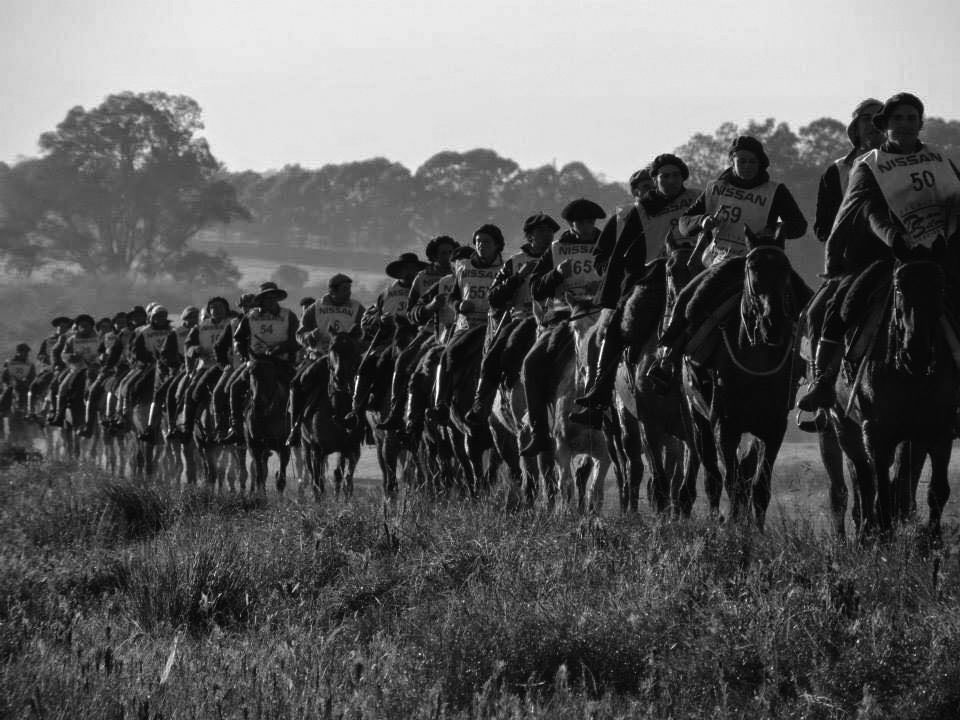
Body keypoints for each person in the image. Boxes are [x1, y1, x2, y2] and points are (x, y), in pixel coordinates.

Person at [797, 92, 960, 410]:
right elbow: (864, 212)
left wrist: (949, 235)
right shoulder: (870, 165)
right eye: (898, 119)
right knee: (838, 308)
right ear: (885, 126)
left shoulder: (940, 160)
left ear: (920, 124)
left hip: (938, 254)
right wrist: (891, 241)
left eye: (911, 118)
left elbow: (957, 203)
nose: (905, 125)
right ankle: (823, 382)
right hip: (882, 257)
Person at [650, 136, 808, 389]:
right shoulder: (715, 188)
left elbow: (799, 226)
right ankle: (668, 354)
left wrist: (775, 228)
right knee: (690, 298)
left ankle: (814, 363)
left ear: (761, 163)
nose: (746, 166)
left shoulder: (775, 191)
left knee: (805, 297)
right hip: (720, 259)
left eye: (751, 161)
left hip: (759, 260)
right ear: (731, 162)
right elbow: (684, 222)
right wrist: (702, 222)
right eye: (741, 161)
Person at [571, 154, 701, 421]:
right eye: (664, 176)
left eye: (676, 175)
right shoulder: (636, 212)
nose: (671, 181)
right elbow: (614, 255)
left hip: (699, 271)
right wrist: (612, 296)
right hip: (653, 278)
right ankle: (600, 392)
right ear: (655, 181)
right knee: (617, 324)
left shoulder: (700, 198)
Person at [519, 198, 606, 456]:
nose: (587, 227)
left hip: (601, 315)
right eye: (581, 222)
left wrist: (601, 288)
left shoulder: (607, 245)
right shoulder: (557, 249)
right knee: (531, 364)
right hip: (563, 319)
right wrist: (557, 273)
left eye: (590, 222)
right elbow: (536, 288)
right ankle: (538, 432)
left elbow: (624, 278)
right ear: (571, 224)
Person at [463, 212, 560, 428]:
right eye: (541, 232)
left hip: (561, 316)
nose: (547, 236)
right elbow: (493, 297)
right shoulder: (515, 262)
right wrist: (519, 278)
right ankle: (482, 403)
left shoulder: (560, 255)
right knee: (493, 355)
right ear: (529, 237)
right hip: (522, 320)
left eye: (550, 232)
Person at [421, 225, 504, 423]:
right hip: (467, 326)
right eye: (478, 242)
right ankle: (441, 403)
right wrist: (458, 305)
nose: (481, 246)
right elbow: (453, 297)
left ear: (498, 246)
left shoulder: (506, 267)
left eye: (486, 242)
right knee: (447, 355)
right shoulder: (463, 267)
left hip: (495, 325)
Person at [377, 236, 460, 432]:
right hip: (430, 330)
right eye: (443, 253)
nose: (448, 257)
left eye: (451, 252)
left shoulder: (463, 273)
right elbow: (413, 312)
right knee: (403, 361)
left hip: (462, 329)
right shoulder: (422, 278)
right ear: (433, 256)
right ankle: (399, 413)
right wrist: (431, 307)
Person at [285, 274, 364, 446]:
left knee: (368, 380)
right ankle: (295, 428)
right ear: (333, 290)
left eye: (349, 289)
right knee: (296, 384)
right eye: (344, 290)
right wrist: (310, 337)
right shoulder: (315, 308)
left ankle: (367, 427)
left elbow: (366, 332)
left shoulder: (357, 308)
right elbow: (299, 334)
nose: (348, 293)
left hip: (348, 359)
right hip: (319, 357)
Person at [222, 282, 300, 445]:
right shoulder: (250, 316)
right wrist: (245, 356)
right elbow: (238, 339)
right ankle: (236, 428)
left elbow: (296, 340)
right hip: (257, 363)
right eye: (267, 298)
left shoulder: (289, 315)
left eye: (273, 297)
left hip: (282, 362)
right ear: (262, 300)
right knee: (234, 388)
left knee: (300, 387)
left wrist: (279, 349)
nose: (271, 301)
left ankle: (297, 427)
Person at [166, 297, 232, 441]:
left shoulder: (233, 324)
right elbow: (188, 347)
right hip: (205, 366)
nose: (217, 310)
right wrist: (195, 350)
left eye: (221, 307)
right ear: (209, 310)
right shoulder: (200, 327)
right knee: (190, 392)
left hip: (228, 365)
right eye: (213, 307)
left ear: (226, 309)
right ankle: (186, 428)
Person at [48, 315, 101, 427]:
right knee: (62, 387)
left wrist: (99, 358)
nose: (84, 328)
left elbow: (107, 353)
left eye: (86, 325)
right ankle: (59, 414)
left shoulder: (99, 339)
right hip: (77, 368)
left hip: (97, 368)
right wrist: (72, 357)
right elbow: (63, 355)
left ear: (91, 326)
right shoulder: (71, 339)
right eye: (81, 325)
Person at [27, 316, 72, 419]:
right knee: (34, 386)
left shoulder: (72, 339)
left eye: (65, 327)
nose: (62, 329)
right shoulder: (48, 340)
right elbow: (40, 355)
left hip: (68, 368)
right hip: (51, 369)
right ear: (57, 327)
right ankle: (31, 411)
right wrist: (43, 358)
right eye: (60, 326)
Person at [1, 343, 36, 412]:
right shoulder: (9, 363)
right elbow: (4, 377)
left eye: (27, 352)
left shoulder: (30, 365)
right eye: (24, 352)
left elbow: (32, 379)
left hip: (24, 388)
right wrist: (8, 383)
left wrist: (26, 382)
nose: (27, 355)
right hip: (10, 387)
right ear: (18, 352)